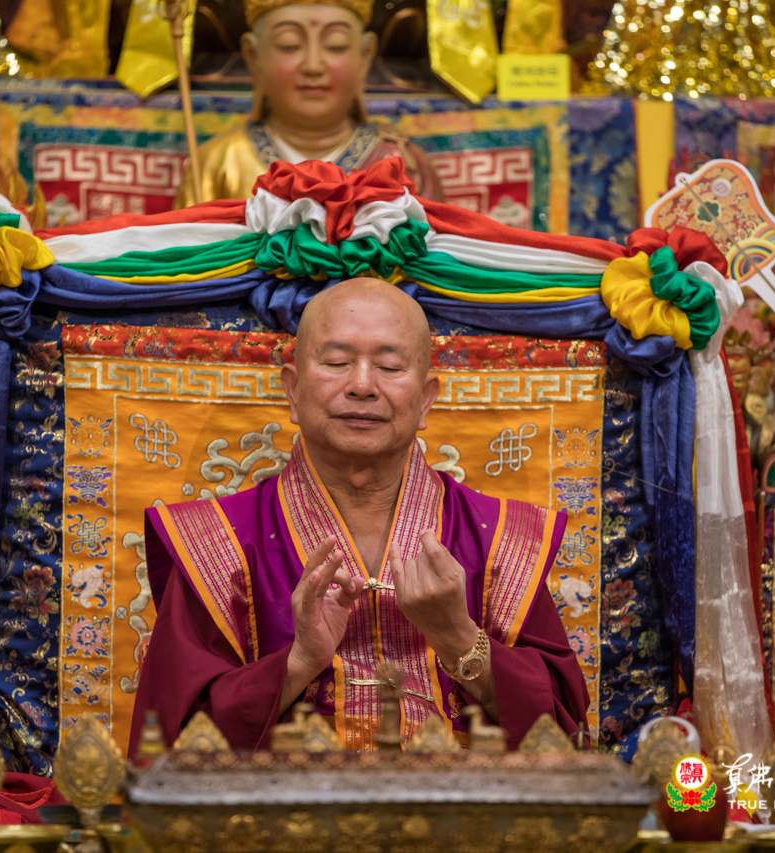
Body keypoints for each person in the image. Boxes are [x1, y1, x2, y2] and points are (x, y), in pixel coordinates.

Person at [128, 278, 587, 753]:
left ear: (426, 399)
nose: (363, 386)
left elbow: (564, 734)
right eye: (336, 363)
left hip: (461, 799)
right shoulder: (217, 543)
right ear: (293, 389)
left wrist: (459, 639)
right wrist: (297, 664)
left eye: (389, 366)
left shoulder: (499, 540)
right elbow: (165, 746)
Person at [172, 0, 443, 207]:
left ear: (364, 55)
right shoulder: (216, 162)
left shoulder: (403, 164)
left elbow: (438, 256)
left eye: (336, 45)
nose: (313, 66)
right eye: (289, 45)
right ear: (253, 56)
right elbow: (186, 258)